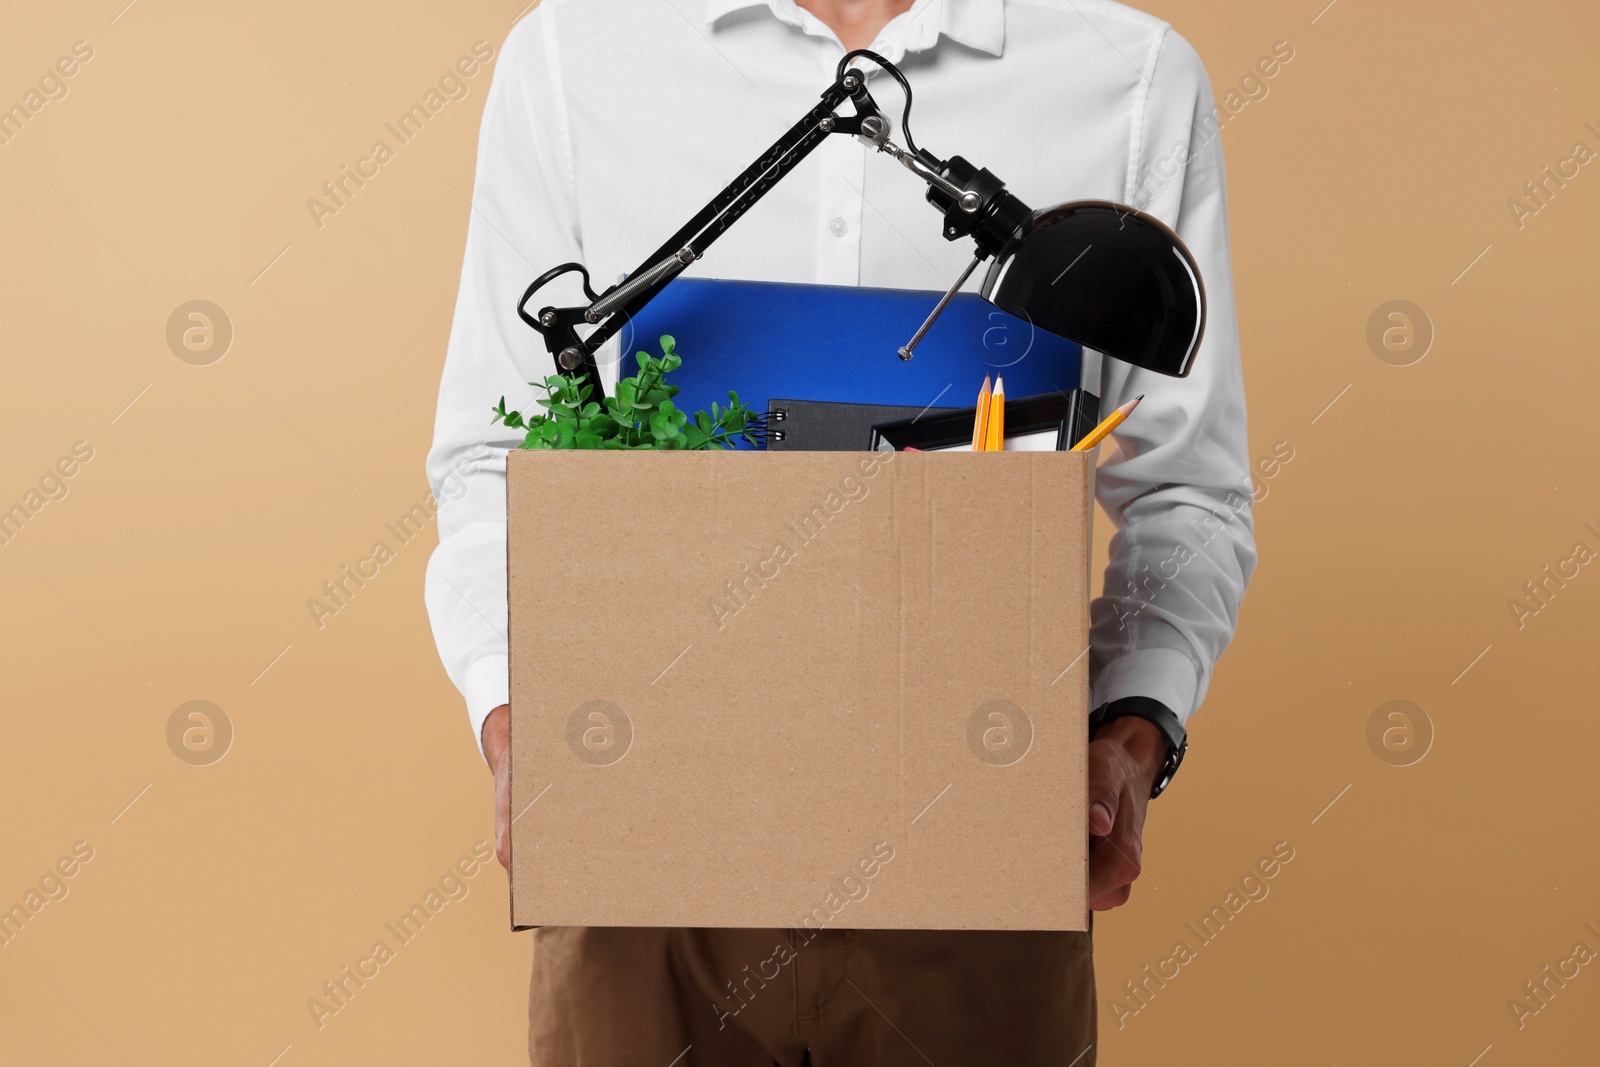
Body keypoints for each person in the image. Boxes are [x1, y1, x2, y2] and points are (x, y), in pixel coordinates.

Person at [425, 0, 1255, 1061]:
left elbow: (1187, 491)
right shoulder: (575, 54)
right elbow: (490, 462)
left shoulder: (1130, 78)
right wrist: (513, 718)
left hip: (977, 861)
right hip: (645, 865)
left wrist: (1131, 735)